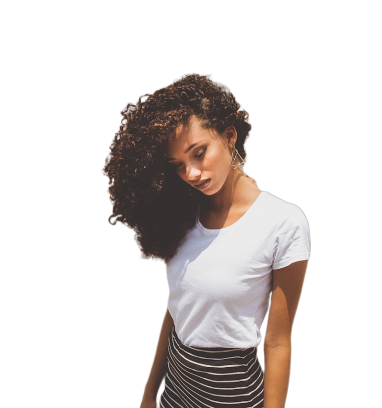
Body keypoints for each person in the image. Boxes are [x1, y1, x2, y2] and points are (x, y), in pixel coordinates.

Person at [102, 73, 310, 408]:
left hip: (233, 398)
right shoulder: (183, 217)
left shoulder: (282, 223)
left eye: (199, 153)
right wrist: (150, 393)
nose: (191, 174)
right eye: (178, 165)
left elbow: (277, 341)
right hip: (175, 394)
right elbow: (179, 309)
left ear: (229, 136)